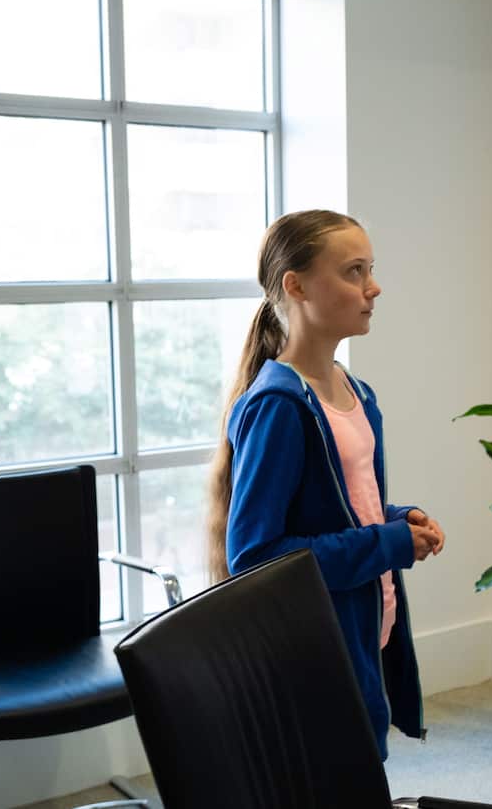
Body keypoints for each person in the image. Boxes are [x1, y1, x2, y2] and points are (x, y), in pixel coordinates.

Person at [205, 208, 445, 760]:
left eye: (370, 269)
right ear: (296, 286)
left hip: (364, 621)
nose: (374, 287)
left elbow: (337, 507)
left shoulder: (354, 391)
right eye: (354, 271)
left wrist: (396, 519)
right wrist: (386, 544)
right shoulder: (279, 407)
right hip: (316, 643)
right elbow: (257, 557)